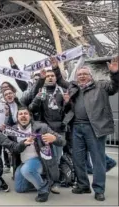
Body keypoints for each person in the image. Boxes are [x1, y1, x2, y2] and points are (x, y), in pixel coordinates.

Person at [52, 55, 119, 201]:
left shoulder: (101, 85)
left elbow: (115, 87)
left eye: (85, 74)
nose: (82, 76)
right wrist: (56, 69)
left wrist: (115, 73)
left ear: (91, 76)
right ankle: (83, 185)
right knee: (78, 159)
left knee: (98, 160)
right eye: (79, 74)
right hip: (76, 127)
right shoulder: (74, 87)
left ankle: (99, 189)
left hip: (94, 127)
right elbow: (62, 81)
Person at [5, 107, 65, 202]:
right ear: (17, 118)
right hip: (24, 162)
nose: (23, 116)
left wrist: (54, 138)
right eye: (20, 114)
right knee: (19, 188)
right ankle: (43, 181)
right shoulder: (13, 130)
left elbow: (62, 141)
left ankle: (43, 190)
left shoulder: (42, 127)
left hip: (39, 160)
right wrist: (23, 143)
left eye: (26, 114)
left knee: (27, 170)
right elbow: (12, 148)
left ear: (30, 116)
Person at [28, 69, 70, 194]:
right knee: (45, 156)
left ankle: (55, 182)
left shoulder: (62, 91)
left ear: (56, 78)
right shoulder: (41, 91)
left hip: (59, 130)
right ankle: (47, 179)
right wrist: (37, 98)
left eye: (52, 75)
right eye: (48, 76)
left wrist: (68, 103)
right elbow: (31, 108)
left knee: (56, 158)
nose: (50, 78)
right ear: (44, 79)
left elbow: (69, 111)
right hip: (45, 130)